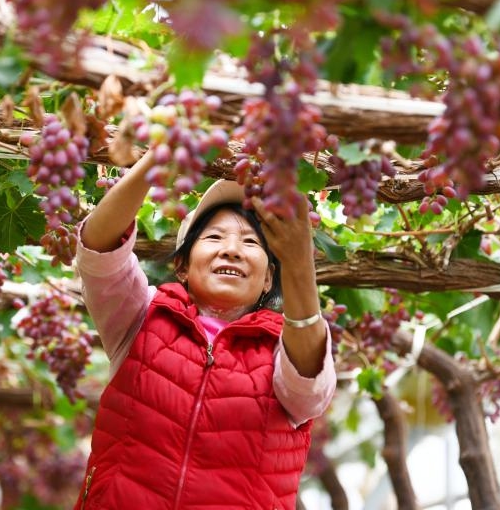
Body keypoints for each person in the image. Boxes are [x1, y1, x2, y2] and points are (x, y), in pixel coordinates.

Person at [73, 149, 336, 509]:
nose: (231, 250)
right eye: (214, 238)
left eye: (250, 242)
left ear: (268, 279)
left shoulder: (283, 350)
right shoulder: (142, 317)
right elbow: (97, 251)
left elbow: (310, 387)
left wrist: (299, 262)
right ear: (181, 265)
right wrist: (158, 156)